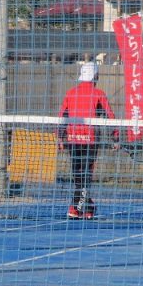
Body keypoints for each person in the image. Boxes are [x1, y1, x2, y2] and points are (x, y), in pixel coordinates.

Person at [57, 60, 120, 219]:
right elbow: (110, 116)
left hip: (72, 140)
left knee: (78, 175)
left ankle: (83, 206)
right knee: (85, 175)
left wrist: (60, 137)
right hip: (90, 141)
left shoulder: (70, 93)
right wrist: (115, 137)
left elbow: (62, 116)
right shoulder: (98, 94)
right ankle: (79, 207)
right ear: (95, 76)